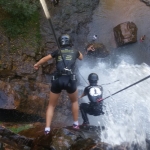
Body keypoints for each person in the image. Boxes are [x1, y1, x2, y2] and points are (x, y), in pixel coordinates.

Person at [34, 34, 83, 134]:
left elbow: (44, 59)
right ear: (70, 42)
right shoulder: (75, 52)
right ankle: (76, 124)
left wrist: (37, 64)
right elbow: (81, 58)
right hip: (70, 79)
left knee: (51, 105)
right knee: (74, 102)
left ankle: (47, 129)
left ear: (60, 43)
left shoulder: (57, 52)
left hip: (58, 79)